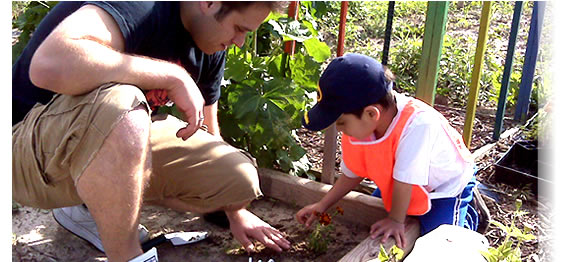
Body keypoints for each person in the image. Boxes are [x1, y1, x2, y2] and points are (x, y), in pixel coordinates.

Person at [12, 2, 291, 261]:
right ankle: (128, 255)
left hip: (88, 141)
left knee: (237, 179)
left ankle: (88, 209)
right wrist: (173, 75)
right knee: (124, 106)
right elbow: (47, 64)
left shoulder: (210, 44)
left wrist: (236, 212)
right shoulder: (140, 6)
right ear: (210, 3)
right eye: (239, 28)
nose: (239, 41)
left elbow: (208, 133)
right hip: (22, 152)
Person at [295, 53, 481, 249]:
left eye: (341, 123)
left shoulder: (418, 125)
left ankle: (468, 218)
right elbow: (353, 173)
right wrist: (323, 204)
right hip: (399, 182)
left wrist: (396, 220)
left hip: (444, 190)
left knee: (441, 245)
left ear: (371, 113)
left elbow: (405, 181)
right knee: (373, 223)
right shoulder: (362, 126)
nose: (340, 130)